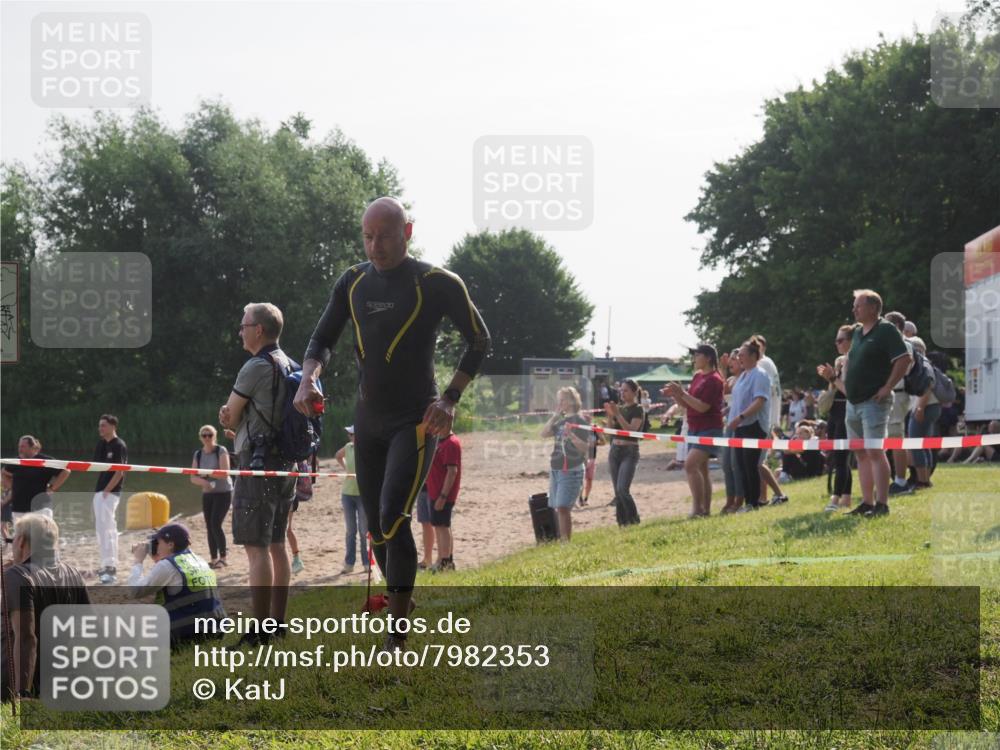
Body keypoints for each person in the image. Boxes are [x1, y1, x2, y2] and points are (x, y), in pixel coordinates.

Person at [294, 197, 490, 651]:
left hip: (415, 419)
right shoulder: (353, 281)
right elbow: (322, 338)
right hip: (369, 420)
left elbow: (479, 339)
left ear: (408, 232)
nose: (375, 246)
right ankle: (404, 597)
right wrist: (308, 378)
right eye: (367, 236)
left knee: (392, 516)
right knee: (376, 526)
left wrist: (450, 398)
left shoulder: (436, 282)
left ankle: (396, 633)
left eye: (384, 236)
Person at [218, 302, 297, 637]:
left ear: (258, 330)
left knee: (257, 547)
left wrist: (227, 417)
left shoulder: (255, 366)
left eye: (243, 326)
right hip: (286, 464)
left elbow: (230, 415)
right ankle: (277, 624)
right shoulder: (290, 364)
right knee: (277, 543)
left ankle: (260, 630)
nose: (240, 331)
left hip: (258, 464)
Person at [841, 289, 912, 517]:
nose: (854, 310)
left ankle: (882, 504)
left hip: (874, 402)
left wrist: (887, 387)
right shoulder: (858, 332)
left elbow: (904, 359)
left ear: (873, 308)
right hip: (853, 402)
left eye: (858, 306)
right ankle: (867, 503)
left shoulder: (886, 330)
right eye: (854, 306)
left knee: (875, 451)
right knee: (860, 453)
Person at [3, 513, 90, 698]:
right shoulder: (73, 574)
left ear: (21, 541)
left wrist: (22, 694)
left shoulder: (18, 576)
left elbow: (26, 638)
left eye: (12, 540)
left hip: (14, 683)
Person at [128, 523, 226, 644]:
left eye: (159, 542)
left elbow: (135, 591)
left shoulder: (167, 565)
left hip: (188, 635)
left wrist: (138, 561)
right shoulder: (200, 560)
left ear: (170, 545)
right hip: (216, 630)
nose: (156, 546)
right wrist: (158, 559)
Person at [663, 345, 725, 518]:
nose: (694, 358)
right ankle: (705, 510)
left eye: (697, 355)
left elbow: (703, 407)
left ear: (708, 358)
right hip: (694, 428)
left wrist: (681, 392)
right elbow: (687, 404)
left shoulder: (714, 380)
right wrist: (675, 394)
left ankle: (697, 509)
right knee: (702, 469)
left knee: (690, 465)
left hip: (709, 429)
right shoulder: (698, 376)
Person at [542, 387, 593, 540]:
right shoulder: (561, 421)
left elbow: (585, 448)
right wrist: (554, 417)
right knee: (558, 507)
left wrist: (571, 436)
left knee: (563, 507)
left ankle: (565, 543)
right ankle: (562, 540)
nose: (559, 403)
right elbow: (544, 433)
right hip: (556, 468)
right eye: (558, 400)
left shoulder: (580, 422)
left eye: (562, 400)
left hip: (571, 469)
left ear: (571, 401)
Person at [727, 340, 771, 511]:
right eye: (738, 355)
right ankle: (748, 502)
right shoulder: (743, 376)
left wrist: (740, 417)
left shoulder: (760, 374)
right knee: (741, 466)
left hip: (754, 425)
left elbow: (759, 401)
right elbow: (738, 401)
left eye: (742, 355)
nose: (739, 358)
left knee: (750, 465)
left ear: (753, 356)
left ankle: (753, 502)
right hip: (740, 427)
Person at [817, 325, 855, 511]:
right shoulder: (839, 360)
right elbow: (835, 388)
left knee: (841, 457)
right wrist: (830, 378)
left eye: (841, 340)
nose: (837, 344)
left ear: (851, 341)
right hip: (835, 412)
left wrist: (833, 378)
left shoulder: (855, 360)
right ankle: (846, 497)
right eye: (836, 340)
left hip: (847, 411)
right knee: (837, 456)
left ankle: (835, 498)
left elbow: (850, 391)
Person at [750, 335, 787, 505]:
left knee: (758, 461)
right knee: (760, 460)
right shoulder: (769, 362)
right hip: (770, 417)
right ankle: (763, 496)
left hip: (764, 417)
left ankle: (773, 495)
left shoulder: (763, 363)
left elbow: (764, 390)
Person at [190, 425, 233, 570]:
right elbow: (193, 477)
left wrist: (206, 474)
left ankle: (223, 558)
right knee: (209, 525)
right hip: (208, 493)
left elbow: (225, 473)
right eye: (204, 435)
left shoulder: (221, 450)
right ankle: (213, 559)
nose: (207, 438)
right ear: (200, 437)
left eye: (210, 435)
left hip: (224, 492)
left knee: (215, 523)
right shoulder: (198, 454)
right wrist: (204, 482)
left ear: (214, 436)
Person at [883, 312, 916, 497]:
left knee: (896, 439)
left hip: (898, 393)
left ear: (896, 325)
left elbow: (904, 367)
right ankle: (893, 479)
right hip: (892, 393)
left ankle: (901, 481)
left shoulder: (903, 344)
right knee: (890, 439)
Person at [1, 435, 70, 521]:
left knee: (42, 530)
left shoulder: (44, 461)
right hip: (18, 509)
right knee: (19, 530)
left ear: (32, 447)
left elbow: (65, 471)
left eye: (23, 446)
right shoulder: (17, 462)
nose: (20, 449)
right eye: (19, 446)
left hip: (40, 509)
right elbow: (3, 472)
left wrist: (52, 488)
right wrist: (13, 487)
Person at [603, 379, 643, 526]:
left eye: (625, 390)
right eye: (621, 390)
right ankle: (622, 523)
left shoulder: (638, 409)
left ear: (634, 392)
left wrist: (617, 414)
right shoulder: (619, 408)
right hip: (614, 450)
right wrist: (610, 415)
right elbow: (609, 432)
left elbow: (631, 431)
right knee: (617, 491)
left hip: (629, 451)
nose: (622, 393)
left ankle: (634, 520)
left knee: (622, 489)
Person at [92, 414, 127, 584]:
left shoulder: (119, 445)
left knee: (108, 530)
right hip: (100, 491)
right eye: (100, 425)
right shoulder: (101, 444)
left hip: (110, 493)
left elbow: (120, 472)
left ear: (113, 426)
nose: (100, 428)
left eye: (103, 425)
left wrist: (107, 490)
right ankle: (105, 565)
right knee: (101, 530)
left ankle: (111, 568)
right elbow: (95, 466)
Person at [907, 337, 941, 490]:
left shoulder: (922, 364)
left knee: (916, 444)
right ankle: (925, 479)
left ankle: (922, 481)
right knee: (924, 444)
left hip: (925, 407)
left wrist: (920, 408)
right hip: (930, 407)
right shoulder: (927, 363)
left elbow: (927, 386)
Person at [426, 430, 462, 571]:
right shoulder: (440, 440)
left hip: (442, 493)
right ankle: (443, 559)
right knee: (440, 525)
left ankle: (445, 562)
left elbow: (452, 472)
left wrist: (443, 496)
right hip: (434, 491)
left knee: (443, 526)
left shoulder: (450, 443)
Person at [335, 426, 369, 575]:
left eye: (352, 434)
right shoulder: (348, 447)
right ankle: (349, 563)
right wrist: (346, 469)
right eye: (349, 434)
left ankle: (367, 563)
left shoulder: (367, 448)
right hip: (347, 494)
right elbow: (337, 455)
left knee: (363, 531)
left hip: (363, 495)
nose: (350, 436)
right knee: (350, 531)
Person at [720, 348, 746, 514]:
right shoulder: (730, 379)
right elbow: (724, 393)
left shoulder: (745, 379)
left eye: (734, 359)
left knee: (736, 464)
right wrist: (723, 369)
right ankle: (730, 498)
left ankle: (739, 499)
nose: (731, 362)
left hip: (739, 423)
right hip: (729, 423)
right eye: (730, 359)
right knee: (726, 464)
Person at [287, 456, 313, 575]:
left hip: (287, 495)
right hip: (293, 495)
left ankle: (296, 560)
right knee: (287, 529)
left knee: (284, 530)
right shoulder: (299, 455)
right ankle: (296, 559)